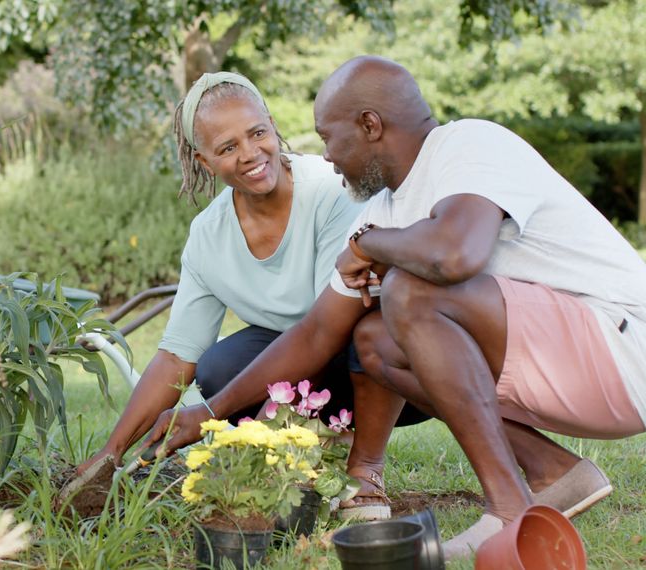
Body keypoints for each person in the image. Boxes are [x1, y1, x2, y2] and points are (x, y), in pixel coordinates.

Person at [146, 55, 646, 559]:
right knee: (375, 340)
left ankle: (509, 512)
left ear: (370, 125)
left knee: (408, 290)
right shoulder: (382, 210)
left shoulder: (469, 144)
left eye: (328, 138)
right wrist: (208, 411)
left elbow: (455, 253)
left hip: (623, 348)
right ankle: (555, 473)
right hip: (566, 371)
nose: (327, 156)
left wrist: (374, 244)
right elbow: (319, 333)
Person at [76, 71, 426, 521]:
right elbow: (174, 357)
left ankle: (362, 468)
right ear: (204, 162)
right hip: (300, 376)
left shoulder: (331, 191)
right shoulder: (209, 236)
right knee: (218, 365)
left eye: (257, 133)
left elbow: (329, 328)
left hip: (384, 370)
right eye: (227, 148)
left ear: (273, 125)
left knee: (366, 327)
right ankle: (307, 451)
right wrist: (111, 452)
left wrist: (246, 439)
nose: (250, 155)